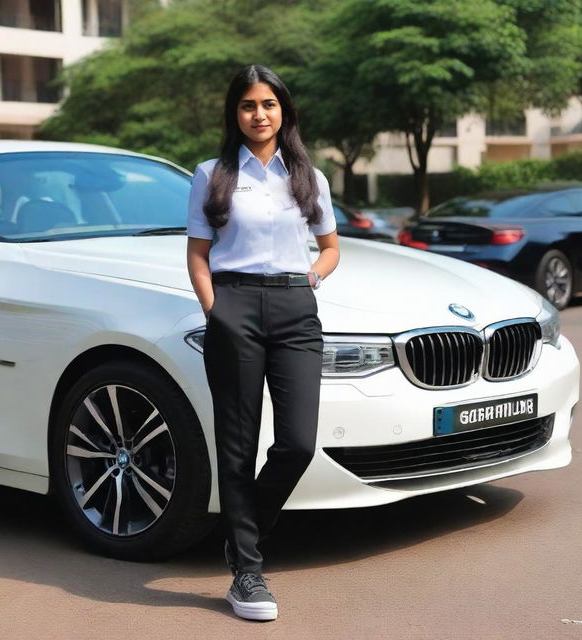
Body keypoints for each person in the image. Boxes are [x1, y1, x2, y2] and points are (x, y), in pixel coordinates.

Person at [186, 64, 340, 621]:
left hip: (296, 310)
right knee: (238, 442)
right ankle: (247, 571)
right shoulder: (212, 174)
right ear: (236, 113)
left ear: (284, 111)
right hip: (235, 305)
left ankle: (243, 532)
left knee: (298, 442)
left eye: (269, 105)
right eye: (249, 105)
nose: (259, 114)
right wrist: (216, 312)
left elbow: (329, 246)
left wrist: (313, 277)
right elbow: (198, 256)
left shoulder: (308, 176)